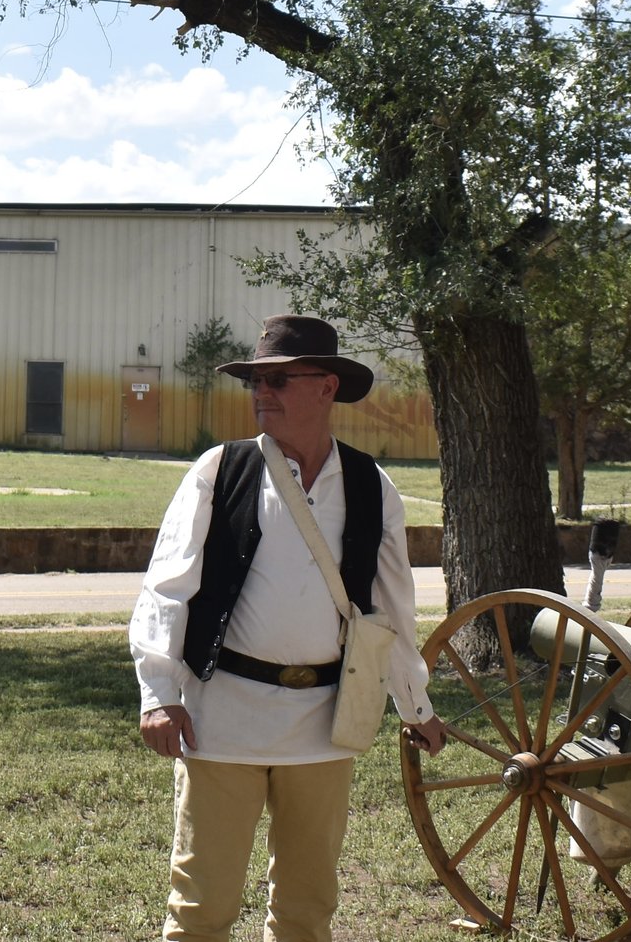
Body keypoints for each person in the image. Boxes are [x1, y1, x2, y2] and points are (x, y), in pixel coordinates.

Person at [130, 314, 446, 942]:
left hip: (325, 726)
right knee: (200, 910)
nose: (262, 393)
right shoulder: (220, 471)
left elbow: (392, 608)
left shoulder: (371, 485)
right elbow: (166, 588)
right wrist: (160, 694)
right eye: (256, 381)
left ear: (326, 387)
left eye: (279, 380)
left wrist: (414, 704)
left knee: (307, 911)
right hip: (223, 720)